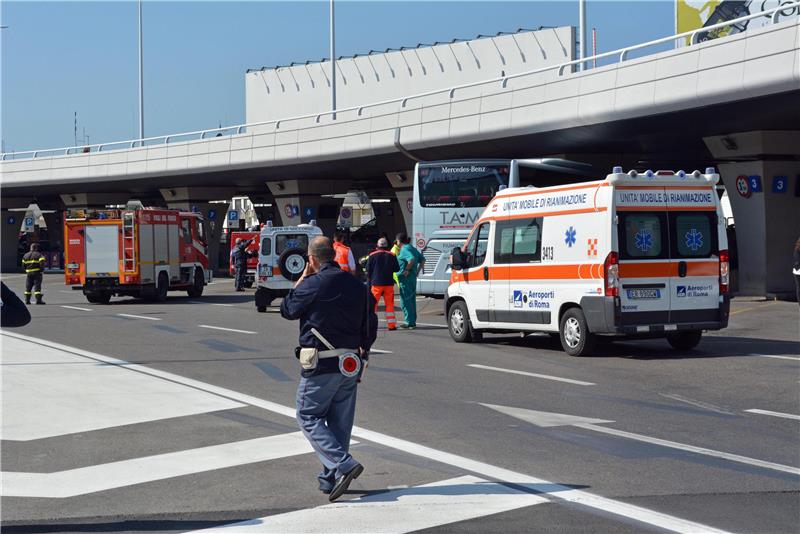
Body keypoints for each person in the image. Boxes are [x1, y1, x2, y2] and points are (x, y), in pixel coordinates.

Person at [280, 236, 377, 502]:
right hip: (350, 362)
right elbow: (371, 321)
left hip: (321, 361)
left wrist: (302, 278)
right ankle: (328, 478)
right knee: (340, 423)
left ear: (311, 259)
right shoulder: (358, 285)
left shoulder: (312, 284)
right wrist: (364, 350)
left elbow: (288, 310)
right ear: (332, 255)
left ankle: (343, 464)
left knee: (307, 415)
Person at [366, 237, 400, 330]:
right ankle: (391, 325)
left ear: (377, 245)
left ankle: (372, 325)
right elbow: (397, 269)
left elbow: (368, 269)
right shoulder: (392, 255)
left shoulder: (372, 255)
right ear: (387, 245)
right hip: (388, 284)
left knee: (373, 305)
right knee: (389, 305)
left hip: (376, 284)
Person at [394, 233, 425, 329]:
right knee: (411, 300)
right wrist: (417, 272)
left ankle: (409, 322)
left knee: (405, 301)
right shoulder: (412, 248)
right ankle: (412, 321)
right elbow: (423, 260)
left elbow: (411, 259)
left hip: (405, 279)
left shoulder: (404, 249)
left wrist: (407, 270)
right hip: (412, 278)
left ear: (399, 241)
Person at [793, 237, 800, 306]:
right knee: (799, 288)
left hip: (797, 271)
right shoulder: (797, 250)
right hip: (798, 272)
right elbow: (797, 262)